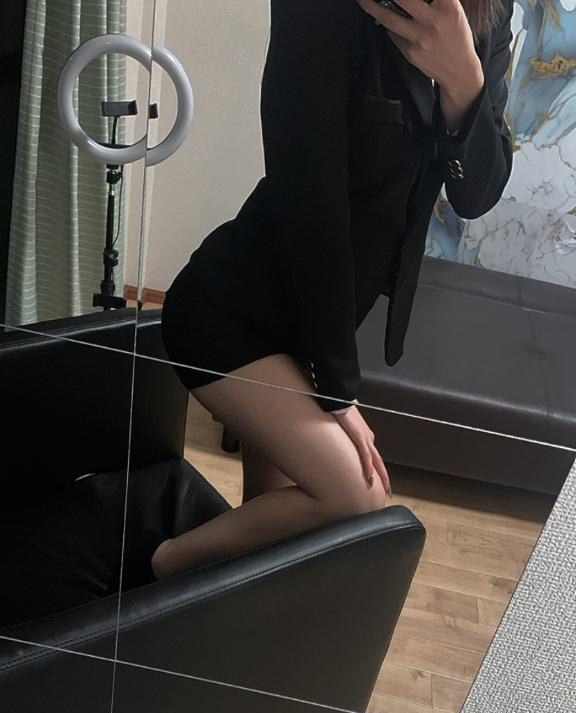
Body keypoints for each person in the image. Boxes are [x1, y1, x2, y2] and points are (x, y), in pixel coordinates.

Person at [149, 0, 513, 582]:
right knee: (355, 496)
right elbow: (307, 197)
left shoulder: (490, 10)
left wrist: (464, 80)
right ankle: (164, 566)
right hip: (233, 312)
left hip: (311, 324)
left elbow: (476, 195)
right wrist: (338, 390)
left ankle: (214, 615)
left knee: (264, 544)